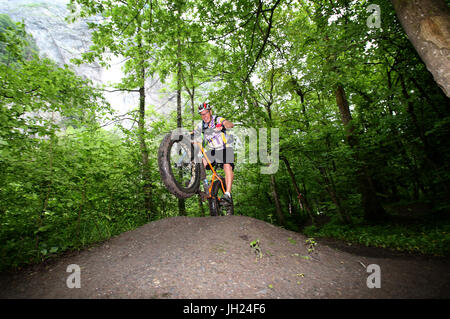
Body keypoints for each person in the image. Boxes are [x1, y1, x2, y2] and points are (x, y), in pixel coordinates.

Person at [194, 102, 234, 203]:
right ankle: (203, 187)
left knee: (227, 165)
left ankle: (228, 194)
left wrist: (224, 125)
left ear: (210, 112)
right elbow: (194, 135)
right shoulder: (200, 125)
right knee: (200, 162)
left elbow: (230, 124)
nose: (204, 116)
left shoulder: (217, 119)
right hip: (213, 151)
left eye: (206, 113)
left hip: (225, 148)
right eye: (202, 114)